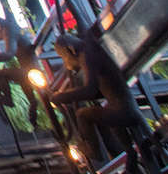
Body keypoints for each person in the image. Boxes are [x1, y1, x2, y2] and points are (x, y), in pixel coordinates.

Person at [47, 31, 146, 168]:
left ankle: (93, 150)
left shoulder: (87, 55)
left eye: (63, 57)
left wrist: (63, 96)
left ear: (70, 49)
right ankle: (130, 154)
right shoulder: (89, 49)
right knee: (107, 113)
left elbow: (90, 90)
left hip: (125, 111)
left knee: (82, 114)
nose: (65, 62)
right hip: (124, 108)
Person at [0, 15, 41, 128]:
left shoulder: (8, 30)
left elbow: (9, 54)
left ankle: (8, 98)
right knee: (28, 92)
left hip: (30, 71)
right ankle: (34, 118)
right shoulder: (11, 28)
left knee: (1, 73)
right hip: (29, 69)